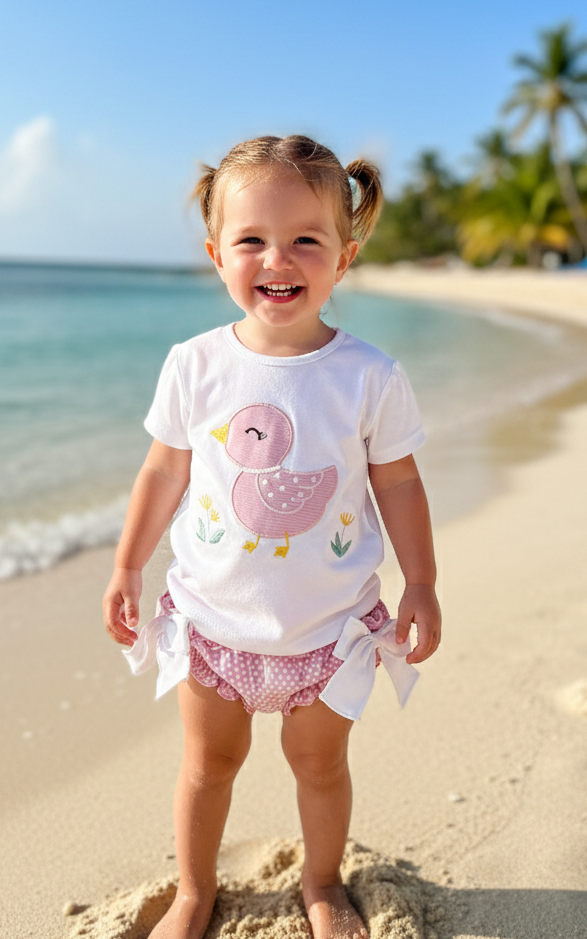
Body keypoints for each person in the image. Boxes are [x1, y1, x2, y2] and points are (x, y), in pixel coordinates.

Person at [103, 134, 441, 939]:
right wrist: (128, 564)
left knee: (320, 768)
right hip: (213, 622)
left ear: (345, 255)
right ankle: (194, 890)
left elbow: (398, 481)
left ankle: (321, 884)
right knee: (207, 765)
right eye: (251, 239)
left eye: (305, 240)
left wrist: (421, 581)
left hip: (327, 630)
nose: (276, 258)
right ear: (218, 254)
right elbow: (163, 473)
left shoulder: (369, 375)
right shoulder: (194, 364)